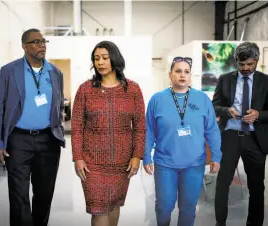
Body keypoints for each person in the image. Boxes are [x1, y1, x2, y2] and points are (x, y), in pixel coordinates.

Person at [0, 28, 65, 226]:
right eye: (36, 42)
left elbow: (58, 106)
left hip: (48, 140)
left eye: (43, 41)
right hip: (18, 140)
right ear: (24, 46)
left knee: (44, 194)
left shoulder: (55, 72)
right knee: (18, 195)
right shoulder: (9, 70)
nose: (42, 45)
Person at [71, 40, 145, 226]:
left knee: (114, 204)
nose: (100, 62)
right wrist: (77, 157)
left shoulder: (133, 89)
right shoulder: (85, 90)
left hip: (122, 161)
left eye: (104, 58)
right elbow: (77, 126)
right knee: (98, 209)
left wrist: (137, 155)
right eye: (96, 59)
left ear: (115, 59)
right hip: (92, 163)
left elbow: (140, 125)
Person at [143, 56, 222, 226]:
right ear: (170, 74)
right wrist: (146, 156)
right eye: (178, 71)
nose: (182, 75)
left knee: (188, 208)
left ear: (190, 76)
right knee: (164, 206)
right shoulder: (157, 99)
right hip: (165, 163)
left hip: (194, 164)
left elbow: (212, 130)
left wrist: (216, 156)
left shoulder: (202, 99)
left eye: (186, 72)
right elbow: (148, 130)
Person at [213, 42, 268, 226]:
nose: (245, 69)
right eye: (241, 65)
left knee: (257, 187)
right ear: (236, 61)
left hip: (255, 139)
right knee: (222, 185)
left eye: (249, 65)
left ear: (257, 61)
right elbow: (214, 106)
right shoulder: (225, 79)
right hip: (230, 137)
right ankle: (220, 223)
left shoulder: (266, 81)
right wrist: (227, 110)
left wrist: (259, 114)